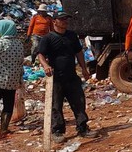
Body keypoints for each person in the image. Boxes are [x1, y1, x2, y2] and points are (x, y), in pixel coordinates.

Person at [38, 11, 99, 143]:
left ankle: (83, 128)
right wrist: (45, 65)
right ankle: (58, 131)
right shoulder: (47, 38)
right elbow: (41, 55)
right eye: (62, 19)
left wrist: (83, 68)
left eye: (66, 19)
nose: (65, 21)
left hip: (71, 76)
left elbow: (79, 52)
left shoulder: (71, 36)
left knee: (79, 102)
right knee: (56, 106)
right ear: (54, 21)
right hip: (56, 78)